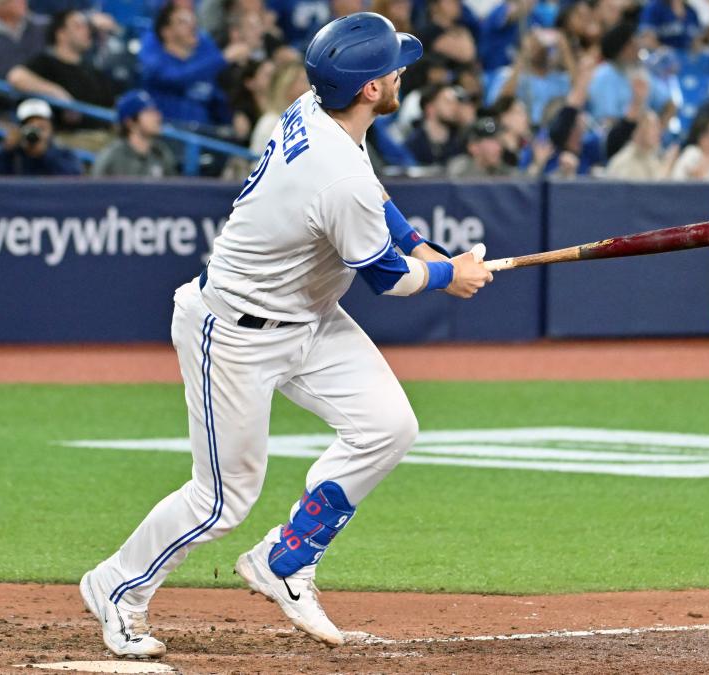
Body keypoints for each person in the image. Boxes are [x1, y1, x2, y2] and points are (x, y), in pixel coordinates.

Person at [77, 12, 492, 659]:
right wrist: (450, 272)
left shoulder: (318, 111)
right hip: (236, 331)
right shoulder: (335, 172)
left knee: (389, 425)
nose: (401, 71)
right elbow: (389, 278)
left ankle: (285, 556)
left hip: (307, 315)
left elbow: (376, 202)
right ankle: (115, 586)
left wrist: (420, 243)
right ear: (369, 91)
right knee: (221, 498)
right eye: (391, 68)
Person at [138, 2, 253, 130]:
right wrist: (223, 59)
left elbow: (215, 98)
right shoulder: (157, 63)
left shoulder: (201, 65)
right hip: (168, 134)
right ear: (167, 32)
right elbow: (177, 78)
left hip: (204, 134)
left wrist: (233, 116)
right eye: (183, 22)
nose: (192, 26)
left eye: (193, 21)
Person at [0, 98, 82, 175]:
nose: (35, 131)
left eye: (41, 127)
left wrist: (44, 154)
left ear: (51, 129)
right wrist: (6, 150)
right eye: (30, 126)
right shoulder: (9, 154)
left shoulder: (64, 155)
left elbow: (73, 181)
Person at [92, 90, 179, 177]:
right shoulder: (111, 157)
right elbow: (96, 188)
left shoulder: (161, 154)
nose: (158, 117)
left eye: (155, 111)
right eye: (149, 112)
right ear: (130, 122)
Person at [0, 0, 49, 79]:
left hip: (41, 86)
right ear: (0, 5)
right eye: (16, 1)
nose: (23, 2)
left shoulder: (40, 28)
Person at [599, 109, 677, 179]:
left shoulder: (653, 158)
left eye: (657, 127)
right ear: (638, 131)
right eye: (652, 127)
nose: (657, 132)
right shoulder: (625, 162)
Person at [446, 116, 518, 176]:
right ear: (473, 147)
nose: (499, 148)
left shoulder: (505, 174)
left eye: (499, 141)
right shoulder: (459, 173)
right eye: (493, 141)